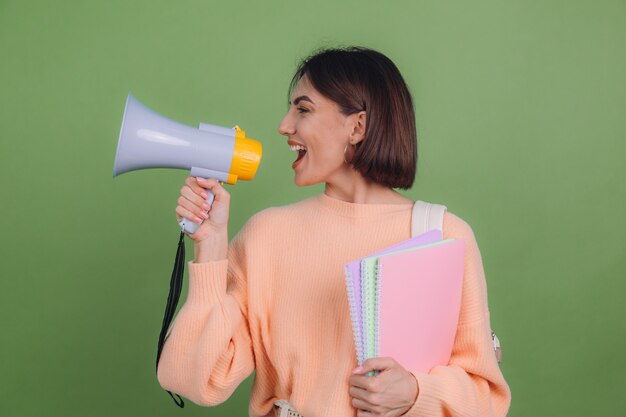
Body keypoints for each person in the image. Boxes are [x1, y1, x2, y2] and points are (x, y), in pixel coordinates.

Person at [157, 47, 511, 417]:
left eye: (303, 109)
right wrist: (210, 248)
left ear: (357, 126)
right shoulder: (267, 236)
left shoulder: (443, 236)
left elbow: (487, 400)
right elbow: (193, 379)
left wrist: (415, 392)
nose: (284, 125)